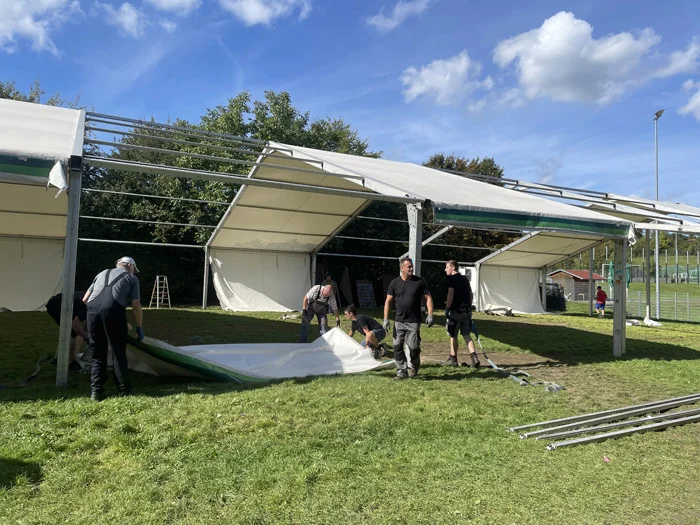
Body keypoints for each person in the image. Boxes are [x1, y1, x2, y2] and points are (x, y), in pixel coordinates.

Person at [83, 256, 144, 401]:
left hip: (92, 311)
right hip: (113, 310)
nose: (133, 272)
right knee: (118, 351)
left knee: (98, 353)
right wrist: (139, 327)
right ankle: (123, 391)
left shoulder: (101, 273)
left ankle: (96, 392)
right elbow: (136, 304)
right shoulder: (132, 278)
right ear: (130, 266)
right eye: (134, 269)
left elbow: (85, 299)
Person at [383, 257, 434, 379]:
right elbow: (388, 301)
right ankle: (401, 372)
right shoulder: (394, 283)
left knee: (413, 348)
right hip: (399, 321)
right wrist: (386, 319)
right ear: (402, 268)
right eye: (409, 267)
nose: (411, 269)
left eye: (412, 267)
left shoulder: (419, 282)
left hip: (414, 321)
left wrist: (430, 314)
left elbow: (428, 298)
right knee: (397, 347)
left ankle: (414, 365)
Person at [441, 260, 480, 368]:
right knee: (467, 335)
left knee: (453, 335)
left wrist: (447, 308)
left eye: (447, 267)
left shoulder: (451, 279)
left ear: (453, 267)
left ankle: (453, 359)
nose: (445, 269)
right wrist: (468, 307)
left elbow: (450, 293)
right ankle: (474, 358)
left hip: (455, 312)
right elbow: (470, 294)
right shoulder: (465, 279)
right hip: (466, 312)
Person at [46, 292, 88, 371]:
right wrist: (85, 336)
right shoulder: (85, 309)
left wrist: (83, 334)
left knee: (66, 332)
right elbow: (75, 323)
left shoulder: (83, 305)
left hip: (54, 302)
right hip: (58, 304)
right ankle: (71, 362)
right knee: (72, 334)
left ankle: (57, 358)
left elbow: (84, 327)